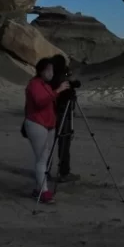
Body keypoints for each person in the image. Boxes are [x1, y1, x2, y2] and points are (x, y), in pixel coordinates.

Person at [24, 58, 70, 204]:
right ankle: (44, 192)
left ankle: (39, 188)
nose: (51, 73)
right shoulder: (34, 84)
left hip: (48, 125)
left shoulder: (46, 85)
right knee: (42, 159)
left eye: (52, 70)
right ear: (41, 70)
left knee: (45, 157)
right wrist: (58, 90)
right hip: (37, 124)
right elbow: (40, 101)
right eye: (49, 70)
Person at [48, 54, 80, 183]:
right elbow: (63, 94)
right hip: (61, 115)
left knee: (49, 144)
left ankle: (44, 172)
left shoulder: (50, 78)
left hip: (50, 115)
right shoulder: (60, 79)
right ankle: (64, 173)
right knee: (64, 144)